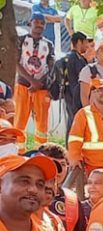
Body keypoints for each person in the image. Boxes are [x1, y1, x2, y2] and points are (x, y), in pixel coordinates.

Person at [14, 15, 54, 145]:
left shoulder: (49, 44)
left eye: (42, 23)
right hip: (23, 86)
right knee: (19, 121)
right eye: (36, 22)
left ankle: (40, 153)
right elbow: (16, 62)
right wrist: (32, 81)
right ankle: (18, 153)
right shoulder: (21, 40)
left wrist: (39, 82)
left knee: (42, 125)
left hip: (41, 89)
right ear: (30, 23)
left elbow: (51, 66)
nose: (39, 25)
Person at [55, 32, 90, 140]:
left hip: (74, 96)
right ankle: (71, 148)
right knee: (75, 123)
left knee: (73, 122)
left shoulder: (78, 58)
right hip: (74, 96)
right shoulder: (74, 59)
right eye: (85, 43)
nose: (87, 46)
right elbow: (76, 80)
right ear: (79, 42)